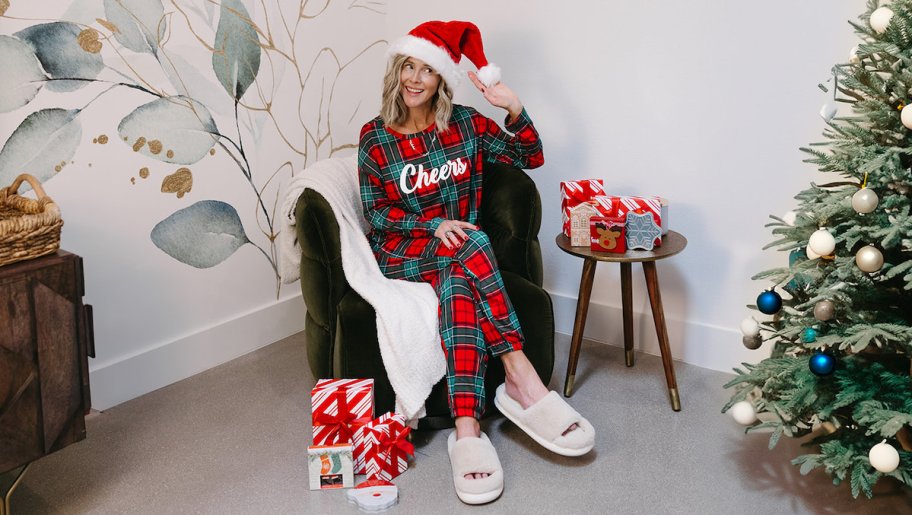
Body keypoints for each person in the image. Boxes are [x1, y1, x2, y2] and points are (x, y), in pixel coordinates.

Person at [358, 20, 594, 504]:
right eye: (408, 66)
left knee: (459, 284)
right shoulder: (375, 138)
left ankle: (466, 430)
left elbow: (531, 155)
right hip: (404, 249)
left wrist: (514, 107)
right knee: (470, 240)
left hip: (459, 257)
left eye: (427, 69)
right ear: (397, 71)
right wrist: (431, 226)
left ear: (442, 78)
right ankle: (520, 373)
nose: (415, 78)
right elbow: (378, 213)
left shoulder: (466, 124)